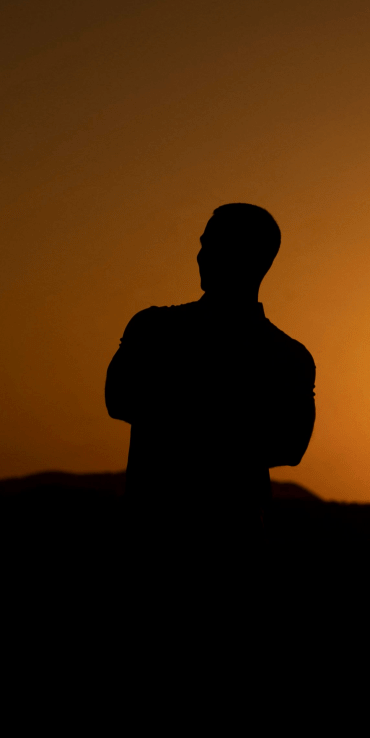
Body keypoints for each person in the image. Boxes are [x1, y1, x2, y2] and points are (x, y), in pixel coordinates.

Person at [106, 204, 315, 548]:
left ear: (254, 259)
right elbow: (117, 399)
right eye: (204, 245)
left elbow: (291, 447)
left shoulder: (154, 331)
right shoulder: (287, 358)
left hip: (205, 537)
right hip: (170, 534)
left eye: (215, 246)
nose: (202, 256)